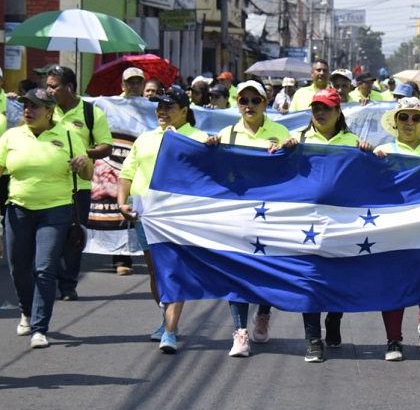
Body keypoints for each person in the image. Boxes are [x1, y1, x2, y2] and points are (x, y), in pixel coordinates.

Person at [280, 88, 374, 363]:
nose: (320, 113)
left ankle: (334, 318)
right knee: (310, 279)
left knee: (338, 277)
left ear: (338, 112)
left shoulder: (353, 142)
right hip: (305, 224)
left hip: (342, 223)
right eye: (316, 108)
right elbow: (278, 172)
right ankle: (313, 339)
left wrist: (371, 154)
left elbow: (368, 177)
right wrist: (280, 152)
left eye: (326, 108)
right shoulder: (297, 139)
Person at [117, 87, 209, 354]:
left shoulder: (199, 138)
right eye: (159, 106)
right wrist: (121, 203)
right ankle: (166, 319)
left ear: (184, 111)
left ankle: (170, 330)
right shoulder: (145, 138)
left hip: (179, 214)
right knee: (156, 271)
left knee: (174, 270)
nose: (162, 111)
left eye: (169, 106)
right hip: (145, 214)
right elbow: (127, 173)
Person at [0, 88, 93, 348]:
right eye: (25, 105)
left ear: (50, 111)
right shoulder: (11, 136)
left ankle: (39, 328)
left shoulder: (69, 134)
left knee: (45, 268)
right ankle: (27, 311)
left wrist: (83, 162)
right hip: (18, 210)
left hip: (55, 211)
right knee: (19, 268)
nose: (28, 110)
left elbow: (87, 175)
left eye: (35, 106)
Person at [206, 80, 291, 357]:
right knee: (237, 271)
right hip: (238, 213)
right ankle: (240, 331)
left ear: (265, 103)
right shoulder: (227, 134)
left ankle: (263, 313)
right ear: (238, 104)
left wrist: (289, 148)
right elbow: (215, 171)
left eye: (256, 100)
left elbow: (290, 170)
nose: (250, 105)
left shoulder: (280, 132)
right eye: (244, 100)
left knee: (267, 267)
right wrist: (210, 148)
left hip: (271, 212)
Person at [374, 98, 420, 361]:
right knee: (394, 282)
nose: (409, 122)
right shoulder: (383, 150)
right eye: (403, 117)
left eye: (416, 118)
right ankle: (393, 339)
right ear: (395, 122)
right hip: (394, 226)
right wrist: (372, 161)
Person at [46, 65, 113, 300]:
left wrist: (84, 154)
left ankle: (67, 285)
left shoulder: (91, 113)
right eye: (47, 86)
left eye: (54, 87)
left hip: (79, 187)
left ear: (70, 87)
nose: (49, 91)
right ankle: (47, 280)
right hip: (48, 184)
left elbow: (106, 146)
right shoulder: (46, 109)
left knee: (73, 237)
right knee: (47, 235)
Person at [115, 67, 147, 274]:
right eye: (130, 82)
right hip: (117, 160)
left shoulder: (151, 106)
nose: (134, 86)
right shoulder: (112, 105)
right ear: (122, 85)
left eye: (138, 82)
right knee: (119, 211)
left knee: (138, 210)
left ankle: (143, 253)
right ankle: (121, 258)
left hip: (142, 161)